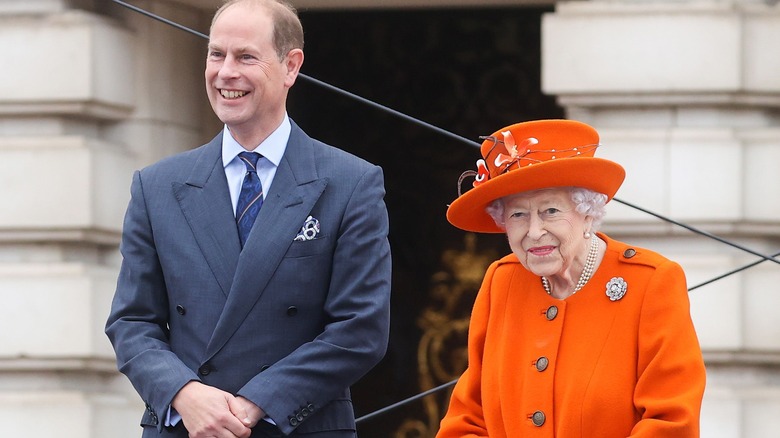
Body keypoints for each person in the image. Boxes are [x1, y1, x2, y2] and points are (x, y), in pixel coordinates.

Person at [105, 1, 391, 437]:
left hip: (299, 426)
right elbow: (131, 322)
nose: (225, 72)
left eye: (245, 57)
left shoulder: (352, 183)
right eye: (216, 54)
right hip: (187, 427)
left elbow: (360, 329)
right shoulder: (156, 186)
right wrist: (185, 393)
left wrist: (257, 402)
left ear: (291, 66)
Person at [436, 119, 706, 437]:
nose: (534, 232)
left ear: (588, 211)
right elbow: (467, 420)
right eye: (518, 214)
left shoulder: (652, 282)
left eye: (550, 211)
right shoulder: (502, 281)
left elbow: (672, 421)